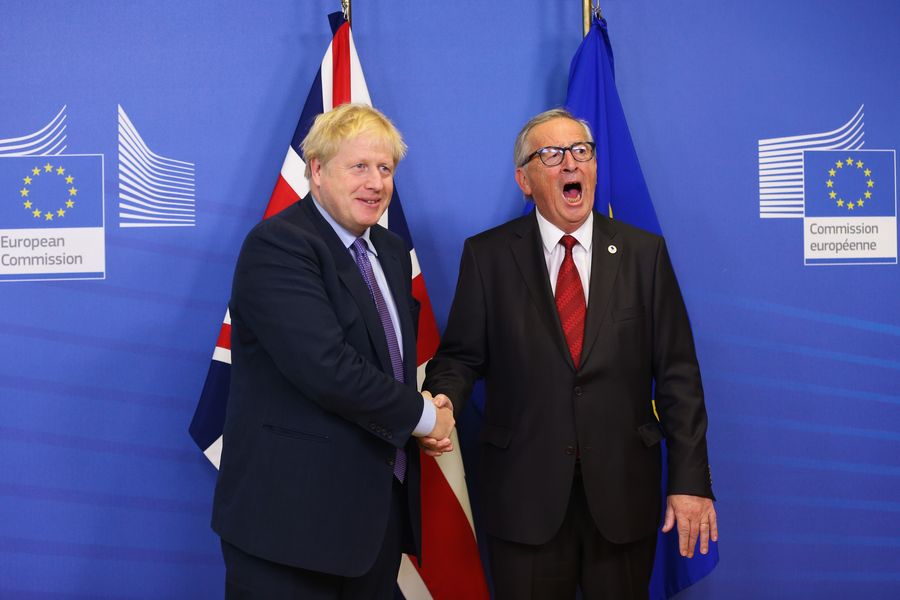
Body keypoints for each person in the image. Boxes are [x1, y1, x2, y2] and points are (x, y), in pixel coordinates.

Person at [423, 108, 717, 599]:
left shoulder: (644, 255)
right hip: (523, 497)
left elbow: (678, 376)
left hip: (623, 495)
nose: (571, 163)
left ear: (595, 168)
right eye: (552, 154)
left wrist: (690, 480)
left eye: (581, 151)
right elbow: (460, 357)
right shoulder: (488, 256)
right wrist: (444, 399)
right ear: (524, 180)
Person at [212, 103, 455, 599]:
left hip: (373, 521)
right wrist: (424, 417)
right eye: (359, 166)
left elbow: (387, 364)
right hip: (290, 528)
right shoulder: (279, 245)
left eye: (385, 168)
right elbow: (327, 368)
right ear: (317, 170)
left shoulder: (389, 251)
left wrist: (420, 415)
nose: (376, 183)